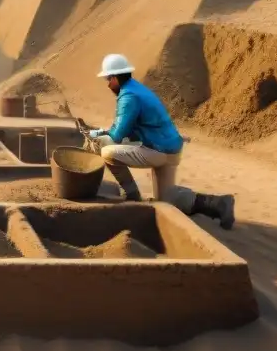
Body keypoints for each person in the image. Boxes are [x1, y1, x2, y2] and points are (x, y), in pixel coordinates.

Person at [85, 53, 236, 229]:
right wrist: (102, 132)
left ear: (116, 78)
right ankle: (217, 203)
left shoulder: (128, 97)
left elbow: (117, 136)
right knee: (167, 199)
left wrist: (98, 137)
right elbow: (130, 130)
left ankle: (131, 195)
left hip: (160, 151)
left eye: (108, 79)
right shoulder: (137, 89)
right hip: (169, 148)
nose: (108, 84)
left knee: (107, 152)